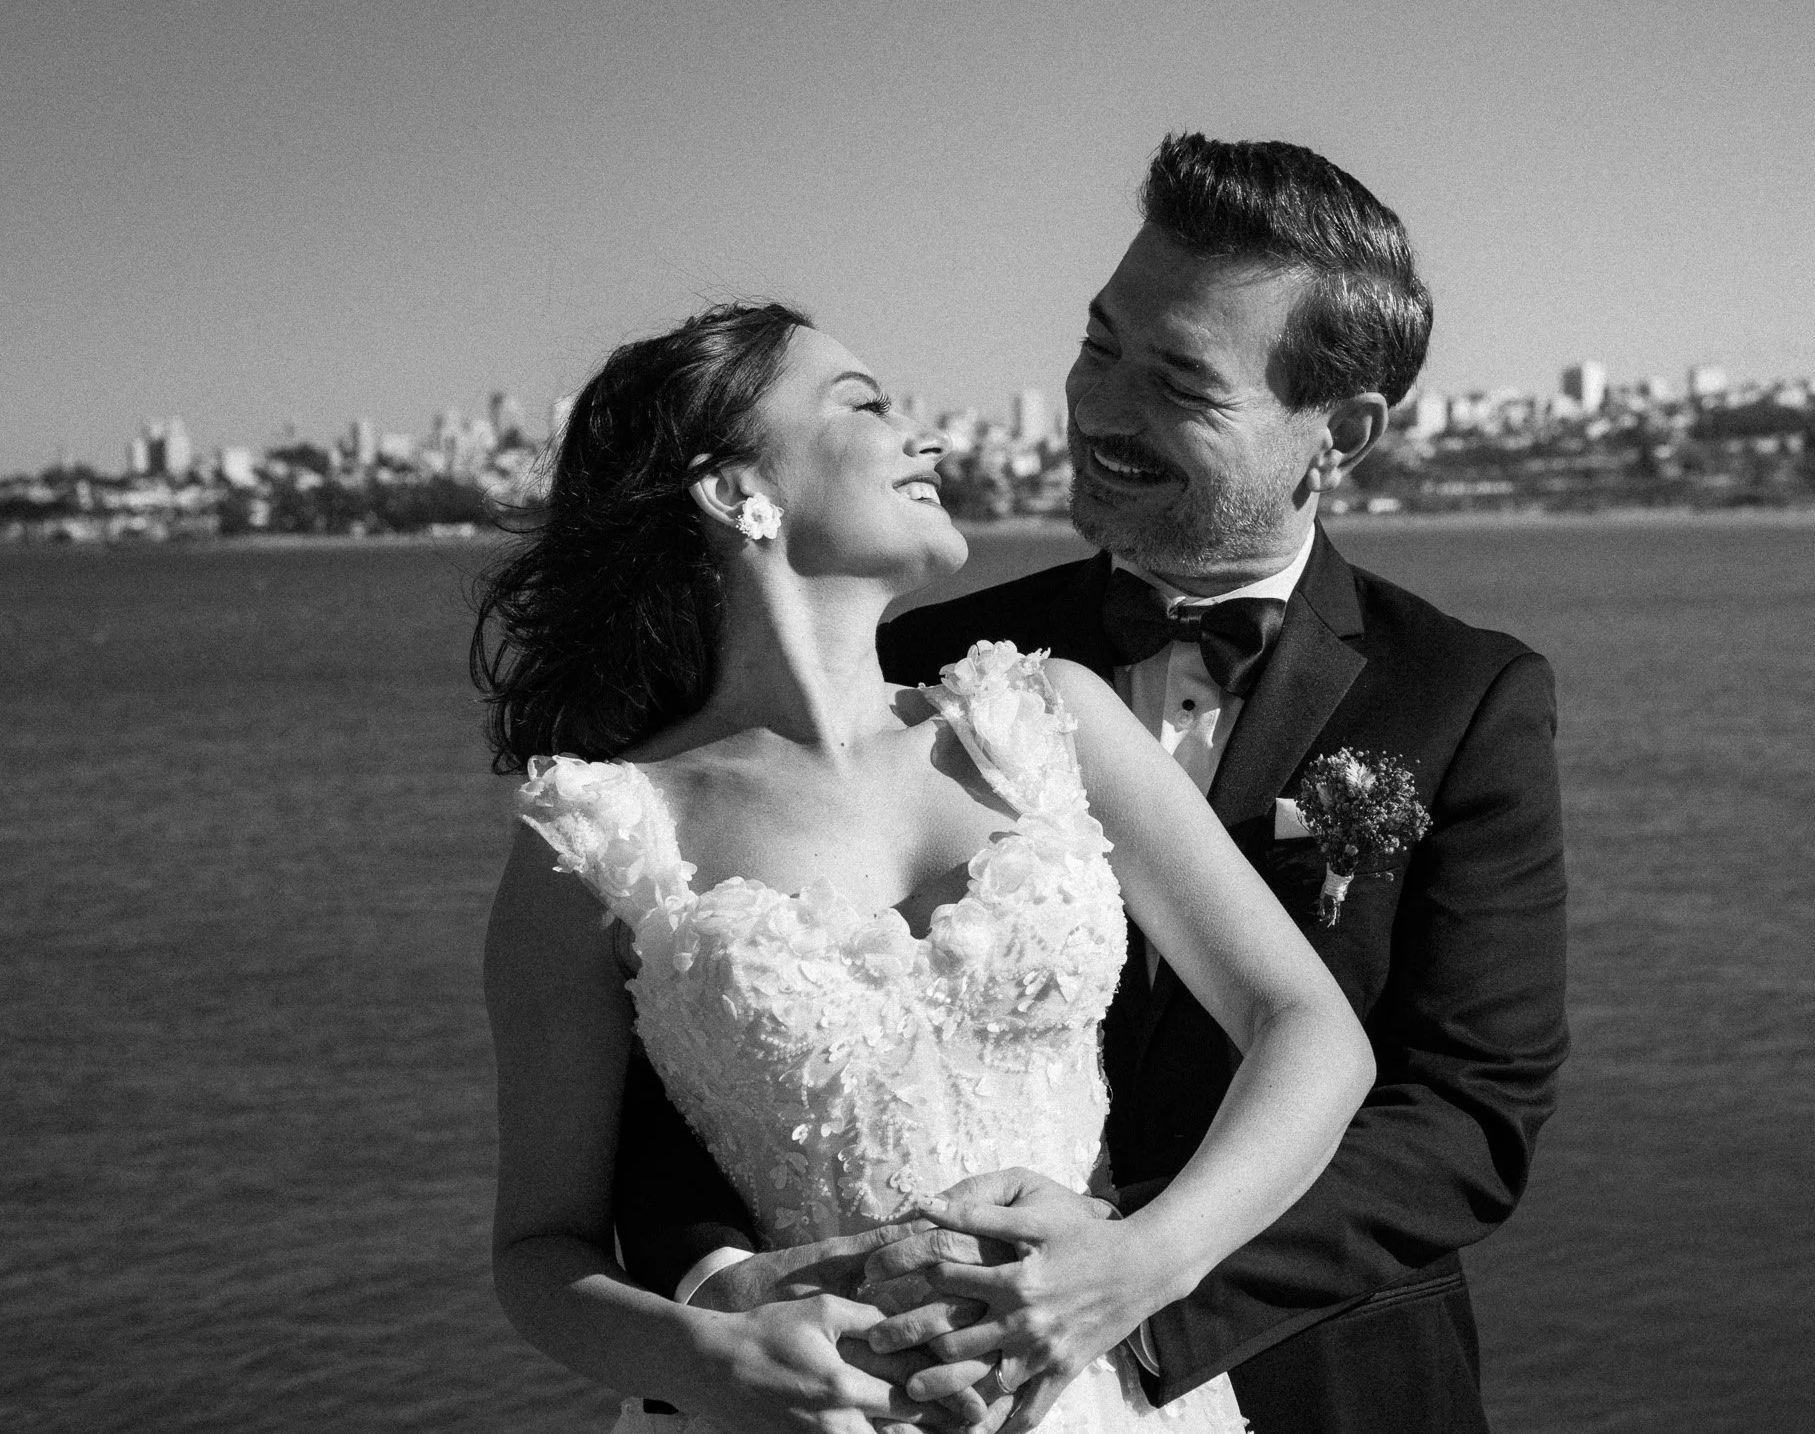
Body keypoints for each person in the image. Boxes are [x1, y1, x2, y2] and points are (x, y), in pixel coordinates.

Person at [611, 134, 1570, 1434]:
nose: (1103, 409)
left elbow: (1466, 1116)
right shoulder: (913, 667)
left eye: (1178, 381)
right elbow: (686, 1044)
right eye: (1099, 344)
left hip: (1321, 1383)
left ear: (1336, 434)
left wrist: (1138, 1280)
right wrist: (728, 1281)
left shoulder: (1463, 698)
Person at [475, 298, 1375, 1432]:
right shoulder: (602, 836)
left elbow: (1311, 1030)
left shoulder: (1050, 722)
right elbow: (537, 1252)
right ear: (732, 490)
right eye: (865, 406)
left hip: (1097, 1388)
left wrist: (1139, 1264)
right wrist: (710, 1357)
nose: (929, 436)